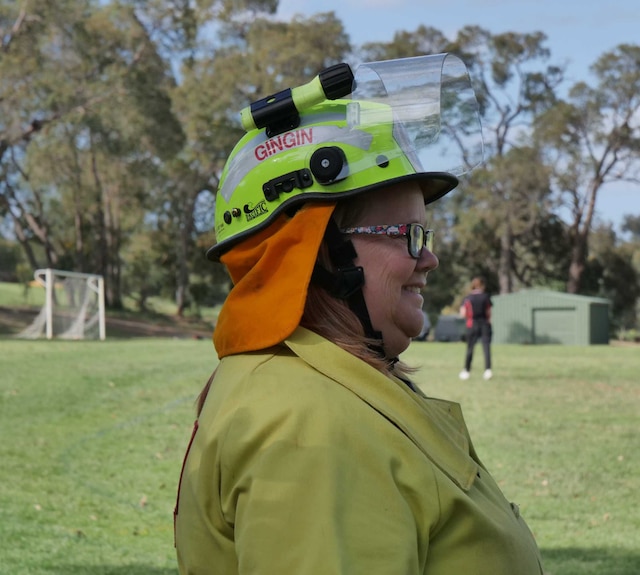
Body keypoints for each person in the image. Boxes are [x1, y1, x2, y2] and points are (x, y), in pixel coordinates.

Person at [173, 54, 544, 574]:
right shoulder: (309, 425)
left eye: (427, 235)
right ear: (321, 253)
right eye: (409, 236)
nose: (430, 259)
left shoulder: (320, 387)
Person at [459, 276, 493, 380]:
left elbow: (463, 313)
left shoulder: (468, 298)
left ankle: (466, 371)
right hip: (484, 324)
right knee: (486, 348)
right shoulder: (486, 297)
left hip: (471, 324)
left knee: (470, 348)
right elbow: (489, 312)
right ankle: (488, 371)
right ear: (482, 285)